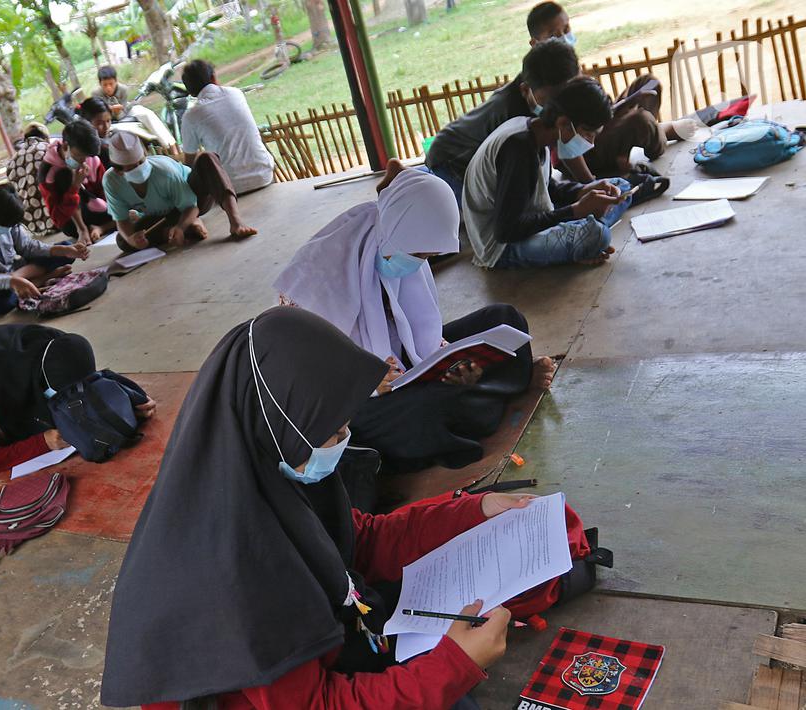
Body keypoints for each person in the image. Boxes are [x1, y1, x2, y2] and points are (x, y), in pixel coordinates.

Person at [101, 306, 534, 708]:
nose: (344, 439)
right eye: (331, 430)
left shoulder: (265, 472)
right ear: (278, 427)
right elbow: (319, 705)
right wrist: (454, 664)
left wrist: (474, 511)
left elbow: (359, 539)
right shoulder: (234, 578)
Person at [275, 164, 556, 474]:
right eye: (419, 255)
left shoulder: (396, 244)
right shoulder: (318, 273)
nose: (421, 264)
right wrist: (362, 379)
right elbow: (299, 378)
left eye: (427, 257)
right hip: (355, 403)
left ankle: (472, 394)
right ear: (399, 233)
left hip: (403, 371)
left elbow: (418, 336)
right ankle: (492, 394)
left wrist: (449, 362)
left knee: (505, 318)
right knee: (422, 411)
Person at [0, 325, 156, 479]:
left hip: (5, 390)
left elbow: (82, 380)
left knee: (62, 416)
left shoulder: (58, 343)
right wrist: (43, 443)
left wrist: (125, 397)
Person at [462, 76, 633, 269]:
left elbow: (546, 187)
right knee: (597, 235)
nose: (589, 142)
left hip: (528, 221)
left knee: (621, 186)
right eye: (587, 134)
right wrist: (576, 210)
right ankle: (584, 234)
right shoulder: (518, 148)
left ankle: (581, 235)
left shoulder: (537, 134)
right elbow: (507, 231)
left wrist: (582, 191)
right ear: (563, 123)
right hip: (502, 247)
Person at [526, 2, 695, 184]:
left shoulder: (565, 61)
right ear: (535, 43)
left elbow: (593, 113)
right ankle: (661, 134)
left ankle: (625, 148)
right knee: (640, 120)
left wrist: (626, 103)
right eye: (553, 35)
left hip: (594, 128)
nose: (563, 37)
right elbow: (566, 139)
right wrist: (590, 183)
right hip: (584, 146)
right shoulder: (546, 78)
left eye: (566, 29)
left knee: (648, 83)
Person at [424, 40, 580, 202]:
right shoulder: (514, 120)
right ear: (526, 90)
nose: (559, 105)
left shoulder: (536, 92)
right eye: (552, 99)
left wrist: (588, 184)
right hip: (451, 162)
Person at [103, 131, 256, 253]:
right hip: (164, 217)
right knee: (123, 241)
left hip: (195, 200)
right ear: (118, 171)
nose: (140, 168)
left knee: (207, 158)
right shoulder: (111, 182)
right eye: (132, 167)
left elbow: (192, 206)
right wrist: (131, 239)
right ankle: (176, 230)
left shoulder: (164, 171)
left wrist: (181, 226)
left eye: (142, 162)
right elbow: (121, 220)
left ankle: (236, 222)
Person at [0, 183, 88, 316]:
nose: (8, 230)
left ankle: (26, 284)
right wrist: (12, 281)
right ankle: (38, 280)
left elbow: (27, 247)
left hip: (14, 270)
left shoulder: (8, 217)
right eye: (5, 226)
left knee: (65, 248)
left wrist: (65, 250)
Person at [179, 59, 275, 194]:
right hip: (264, 175)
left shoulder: (191, 116)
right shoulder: (236, 94)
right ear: (213, 77)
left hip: (230, 188)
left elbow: (190, 163)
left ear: (191, 91)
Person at [38, 120, 115, 242]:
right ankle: (83, 229)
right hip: (70, 220)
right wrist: (75, 186)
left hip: (98, 209)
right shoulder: (49, 172)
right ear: (65, 146)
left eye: (87, 156)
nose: (84, 161)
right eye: (79, 156)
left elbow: (105, 192)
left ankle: (101, 228)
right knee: (64, 176)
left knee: (128, 211)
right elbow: (58, 217)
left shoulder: (92, 159)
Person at [92, 65, 176, 149]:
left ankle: (170, 144)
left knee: (146, 114)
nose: (108, 88)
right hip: (108, 118)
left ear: (116, 81)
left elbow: (123, 110)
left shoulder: (123, 89)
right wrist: (112, 111)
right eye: (105, 85)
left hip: (126, 110)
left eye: (111, 84)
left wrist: (117, 112)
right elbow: (100, 114)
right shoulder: (96, 94)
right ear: (100, 84)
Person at [5, 122, 58, 238]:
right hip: (58, 218)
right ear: (45, 137)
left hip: (32, 224)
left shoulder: (11, 162)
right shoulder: (49, 149)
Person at [78, 98, 115, 170]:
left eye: (108, 121)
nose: (106, 127)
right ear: (86, 123)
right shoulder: (101, 149)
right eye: (99, 123)